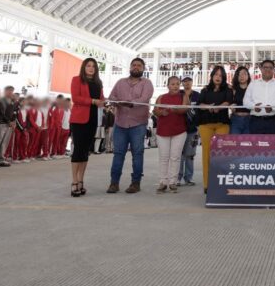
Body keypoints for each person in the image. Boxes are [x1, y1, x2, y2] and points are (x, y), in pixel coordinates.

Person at [107, 57, 153, 194]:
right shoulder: (120, 82)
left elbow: (144, 99)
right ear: (130, 67)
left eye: (139, 65)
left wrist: (128, 102)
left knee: (137, 154)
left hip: (138, 124)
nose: (136, 67)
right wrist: (116, 101)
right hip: (120, 123)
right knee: (118, 154)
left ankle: (135, 183)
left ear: (143, 69)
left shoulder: (147, 83)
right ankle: (114, 183)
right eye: (134, 65)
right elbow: (111, 96)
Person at [194, 66, 232, 191]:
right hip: (205, 125)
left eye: (221, 75)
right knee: (207, 153)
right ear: (212, 76)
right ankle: (207, 184)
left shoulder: (228, 89)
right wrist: (208, 107)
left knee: (221, 153)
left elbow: (228, 102)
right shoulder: (204, 89)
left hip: (222, 124)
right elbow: (200, 104)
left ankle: (221, 181)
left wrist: (219, 107)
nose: (218, 77)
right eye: (216, 74)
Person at [70, 58, 104, 197]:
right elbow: (75, 98)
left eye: (93, 66)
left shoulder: (98, 82)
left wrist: (103, 101)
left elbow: (101, 98)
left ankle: (81, 180)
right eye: (88, 66)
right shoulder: (76, 80)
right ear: (84, 67)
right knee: (78, 150)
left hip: (92, 119)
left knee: (85, 151)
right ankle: (74, 181)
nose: (91, 68)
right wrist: (93, 101)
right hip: (79, 120)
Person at [153, 76, 189, 193]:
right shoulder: (161, 97)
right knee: (163, 157)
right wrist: (161, 112)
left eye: (177, 84)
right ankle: (163, 182)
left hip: (179, 131)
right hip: (162, 131)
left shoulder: (184, 96)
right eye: (173, 84)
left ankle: (173, 182)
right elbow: (155, 111)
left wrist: (175, 110)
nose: (175, 86)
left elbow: (185, 109)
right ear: (168, 85)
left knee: (175, 157)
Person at [243, 59, 275, 135]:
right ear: (261, 69)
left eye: (270, 67)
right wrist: (254, 106)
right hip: (256, 121)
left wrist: (272, 108)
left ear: (274, 70)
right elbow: (246, 101)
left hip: (273, 121)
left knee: (274, 145)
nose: (268, 69)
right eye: (265, 67)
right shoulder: (253, 84)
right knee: (255, 145)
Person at [178, 77, 198, 186]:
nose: (187, 83)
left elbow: (200, 112)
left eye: (188, 81)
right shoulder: (179, 94)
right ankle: (177, 178)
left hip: (193, 129)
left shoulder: (197, 95)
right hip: (180, 128)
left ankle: (189, 178)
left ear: (192, 82)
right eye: (184, 82)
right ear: (182, 83)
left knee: (190, 155)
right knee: (179, 155)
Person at [229, 66, 252, 135]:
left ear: (248, 76)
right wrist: (231, 106)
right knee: (234, 142)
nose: (241, 76)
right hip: (236, 120)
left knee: (247, 143)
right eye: (239, 74)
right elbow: (229, 103)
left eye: (244, 73)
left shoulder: (252, 89)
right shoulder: (233, 89)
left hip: (249, 119)